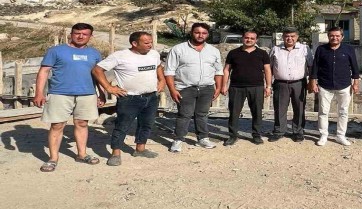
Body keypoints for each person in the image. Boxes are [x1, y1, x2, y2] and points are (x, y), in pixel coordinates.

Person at [34, 23, 104, 172]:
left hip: (87, 93)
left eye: (85, 34)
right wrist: (39, 93)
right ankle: (53, 159)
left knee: (82, 123)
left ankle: (82, 154)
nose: (80, 36)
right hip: (60, 93)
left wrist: (101, 93)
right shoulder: (56, 51)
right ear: (71, 34)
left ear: (90, 36)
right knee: (57, 125)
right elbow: (44, 71)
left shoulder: (94, 53)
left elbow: (98, 75)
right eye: (77, 33)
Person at [92, 31, 165, 166]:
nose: (150, 45)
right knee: (122, 126)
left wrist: (162, 80)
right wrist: (109, 88)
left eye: (151, 42)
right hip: (129, 98)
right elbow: (97, 70)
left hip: (151, 97)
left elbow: (158, 66)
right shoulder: (120, 56)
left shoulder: (154, 54)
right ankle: (115, 154)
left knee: (146, 124)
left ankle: (140, 149)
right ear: (134, 43)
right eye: (146, 42)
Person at [165, 22, 223, 152]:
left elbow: (218, 71)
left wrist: (218, 87)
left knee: (202, 114)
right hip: (185, 88)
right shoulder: (178, 49)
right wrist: (172, 90)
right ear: (191, 33)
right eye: (197, 32)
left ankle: (203, 138)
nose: (200, 35)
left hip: (207, 88)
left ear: (207, 34)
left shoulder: (213, 51)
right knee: (184, 115)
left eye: (204, 33)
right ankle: (178, 140)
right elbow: (169, 71)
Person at [309, 26, 360, 146]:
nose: (334, 38)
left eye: (337, 36)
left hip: (344, 85)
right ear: (328, 36)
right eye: (332, 35)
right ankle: (323, 135)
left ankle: (341, 135)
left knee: (343, 112)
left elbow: (355, 67)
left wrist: (356, 83)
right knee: (323, 112)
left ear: (342, 37)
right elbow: (315, 66)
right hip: (325, 85)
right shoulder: (321, 49)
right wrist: (313, 82)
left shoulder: (349, 49)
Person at [220, 31, 272, 146]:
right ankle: (233, 135)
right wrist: (224, 85)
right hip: (236, 87)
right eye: (247, 38)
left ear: (256, 40)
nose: (249, 40)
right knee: (234, 112)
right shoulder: (233, 53)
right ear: (242, 38)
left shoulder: (262, 53)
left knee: (257, 112)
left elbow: (267, 70)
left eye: (252, 38)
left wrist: (268, 86)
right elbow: (227, 70)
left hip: (256, 87)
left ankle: (256, 135)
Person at [270, 27, 313, 142]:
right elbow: (269, 67)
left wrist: (312, 82)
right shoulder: (275, 49)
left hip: (299, 83)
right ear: (283, 37)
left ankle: (298, 132)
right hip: (280, 83)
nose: (289, 38)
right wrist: (268, 84)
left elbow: (310, 66)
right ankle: (279, 131)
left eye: (292, 36)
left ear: (297, 37)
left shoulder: (304, 49)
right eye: (287, 36)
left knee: (299, 108)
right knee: (279, 108)